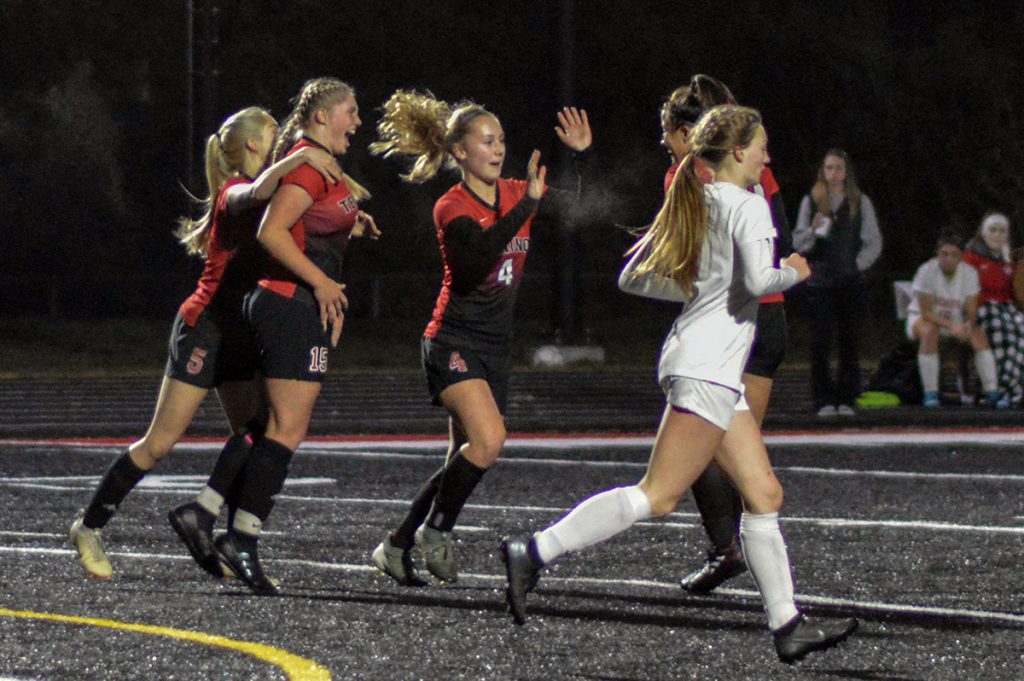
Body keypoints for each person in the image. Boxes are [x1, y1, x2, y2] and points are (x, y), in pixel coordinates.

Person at [501, 105, 857, 664]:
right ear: (738, 152)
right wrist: (799, 270)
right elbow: (762, 281)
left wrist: (699, 293)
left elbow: (633, 277)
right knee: (658, 496)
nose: (768, 155)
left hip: (701, 361)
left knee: (764, 494)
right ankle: (535, 550)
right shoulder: (747, 203)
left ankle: (788, 624)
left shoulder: (699, 197)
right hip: (708, 367)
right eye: (762, 145)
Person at [68, 107, 343, 580]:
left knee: (256, 434)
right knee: (159, 443)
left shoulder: (280, 194)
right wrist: (298, 161)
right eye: (275, 135)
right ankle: (88, 526)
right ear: (255, 147)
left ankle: (217, 530)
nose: (283, 141)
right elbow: (252, 193)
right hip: (205, 327)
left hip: (240, 329)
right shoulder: (235, 190)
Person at [367, 91, 592, 586]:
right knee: (489, 443)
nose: (498, 149)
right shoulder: (452, 205)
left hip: (495, 346)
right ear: (459, 153)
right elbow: (477, 261)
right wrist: (525, 207)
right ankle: (438, 531)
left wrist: (574, 155)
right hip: (452, 340)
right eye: (486, 141)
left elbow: (570, 208)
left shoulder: (517, 191)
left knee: (461, 460)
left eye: (502, 140)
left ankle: (397, 544)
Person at [210, 77, 378, 595]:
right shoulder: (308, 162)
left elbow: (311, 224)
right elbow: (271, 231)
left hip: (297, 303)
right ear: (323, 115)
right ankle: (238, 537)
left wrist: (352, 225)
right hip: (289, 304)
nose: (356, 120)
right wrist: (323, 281)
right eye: (350, 110)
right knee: (286, 429)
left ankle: (209, 513)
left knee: (273, 426)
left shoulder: (318, 163)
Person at [661, 75, 794, 594]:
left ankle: (730, 550)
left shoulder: (687, 177)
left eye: (669, 133)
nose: (664, 144)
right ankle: (773, 597)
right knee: (735, 452)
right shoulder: (750, 172)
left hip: (737, 322)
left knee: (705, 451)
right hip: (768, 319)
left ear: (691, 132)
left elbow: (682, 254)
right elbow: (775, 232)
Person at [792, 149, 882, 417]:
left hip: (849, 281)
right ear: (823, 171)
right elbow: (799, 243)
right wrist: (813, 228)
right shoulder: (811, 201)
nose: (833, 173)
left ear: (846, 172)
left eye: (838, 168)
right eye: (829, 167)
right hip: (820, 281)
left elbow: (873, 241)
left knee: (849, 340)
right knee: (821, 341)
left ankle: (847, 397)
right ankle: (823, 399)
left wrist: (857, 265)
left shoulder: (859, 201)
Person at [906, 230, 1001, 408]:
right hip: (924, 320)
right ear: (937, 253)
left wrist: (967, 325)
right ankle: (931, 393)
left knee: (978, 334)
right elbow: (925, 312)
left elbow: (971, 310)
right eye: (944, 254)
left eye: (953, 255)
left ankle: (992, 391)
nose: (948, 259)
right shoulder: (926, 271)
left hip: (956, 322)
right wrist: (951, 326)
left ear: (961, 257)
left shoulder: (970, 274)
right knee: (930, 332)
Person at [962, 212, 1024, 408]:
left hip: (1007, 307)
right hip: (982, 307)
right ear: (983, 232)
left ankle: (1012, 390)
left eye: (1002, 231)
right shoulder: (972, 257)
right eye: (993, 230)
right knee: (1002, 335)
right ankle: (998, 389)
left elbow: (1016, 291)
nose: (997, 235)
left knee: (1021, 334)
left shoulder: (1008, 260)